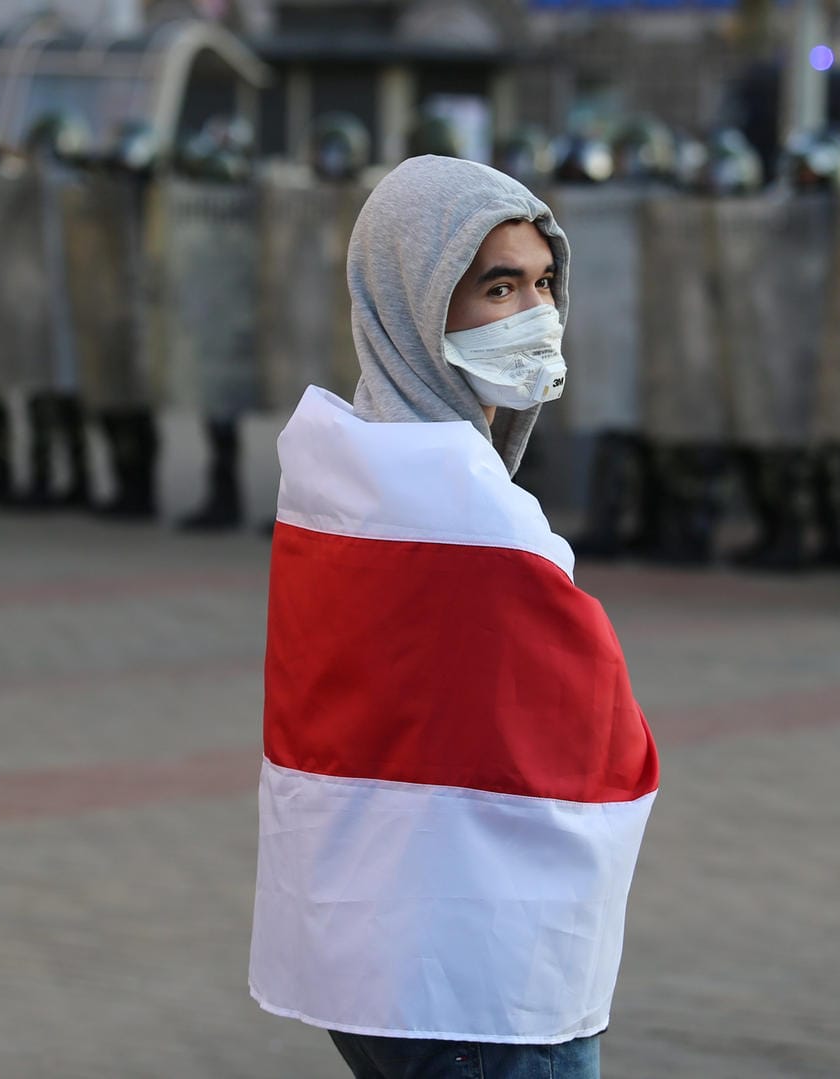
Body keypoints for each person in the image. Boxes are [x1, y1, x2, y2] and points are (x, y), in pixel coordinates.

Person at [250, 155, 659, 1079]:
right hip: (478, 980)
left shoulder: (345, 471)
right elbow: (592, 725)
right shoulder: (464, 510)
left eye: (544, 281)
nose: (534, 315)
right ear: (413, 299)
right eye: (496, 287)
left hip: (372, 952)